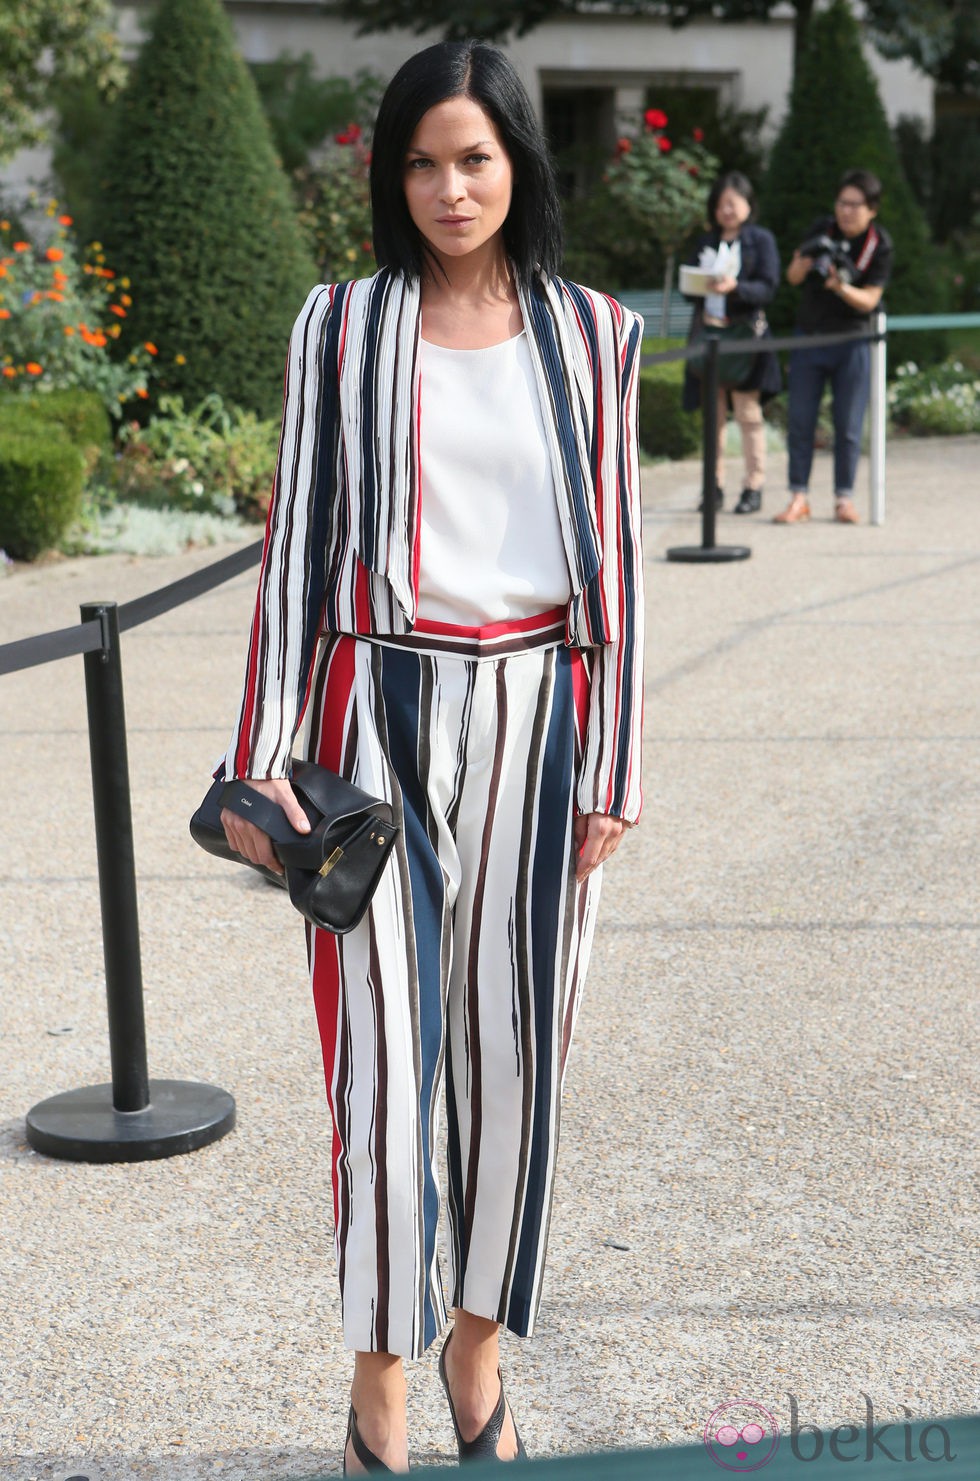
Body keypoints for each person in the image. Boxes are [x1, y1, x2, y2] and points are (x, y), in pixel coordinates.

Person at [218, 39, 644, 1476]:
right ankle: (379, 1382)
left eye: (474, 157)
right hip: (375, 727)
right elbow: (296, 556)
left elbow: (624, 558)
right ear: (391, 176)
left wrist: (614, 761)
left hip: (541, 722)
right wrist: (263, 757)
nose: (449, 187)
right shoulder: (339, 325)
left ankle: (478, 1343)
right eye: (420, 161)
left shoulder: (596, 335)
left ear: (518, 162)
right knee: (385, 1070)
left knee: (521, 1058)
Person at [775, 168, 893, 525]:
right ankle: (799, 497)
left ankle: (844, 499)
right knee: (801, 419)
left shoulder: (879, 244)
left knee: (849, 423)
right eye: (842, 203)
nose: (846, 211)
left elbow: (870, 300)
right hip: (810, 337)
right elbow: (793, 278)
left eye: (855, 205)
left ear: (871, 209)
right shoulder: (820, 230)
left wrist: (840, 286)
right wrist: (806, 259)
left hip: (853, 341)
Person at [682, 171, 781, 515]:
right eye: (720, 204)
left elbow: (768, 288)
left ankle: (753, 486)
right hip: (708, 334)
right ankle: (713, 487)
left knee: (748, 414)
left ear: (748, 205)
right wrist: (700, 284)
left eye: (733, 203)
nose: (726, 210)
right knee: (713, 417)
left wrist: (734, 287)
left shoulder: (761, 240)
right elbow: (686, 289)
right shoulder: (705, 242)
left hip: (743, 338)